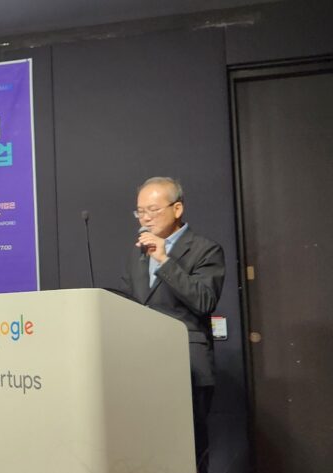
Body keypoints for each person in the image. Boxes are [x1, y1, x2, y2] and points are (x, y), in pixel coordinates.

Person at [118, 177, 224, 473]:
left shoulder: (205, 250)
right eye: (140, 211)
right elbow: (131, 301)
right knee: (149, 447)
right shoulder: (137, 253)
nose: (145, 218)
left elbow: (204, 300)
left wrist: (164, 260)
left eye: (153, 210)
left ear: (177, 209)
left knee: (188, 449)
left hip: (186, 365)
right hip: (143, 364)